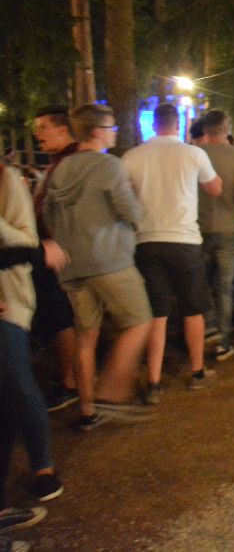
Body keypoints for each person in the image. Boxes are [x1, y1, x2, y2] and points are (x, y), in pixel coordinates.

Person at [44, 104, 155, 431]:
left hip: (72, 266)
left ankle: (88, 410)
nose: (115, 132)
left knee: (86, 337)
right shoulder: (109, 165)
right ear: (97, 132)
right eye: (111, 127)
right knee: (140, 321)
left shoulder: (61, 169)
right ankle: (111, 391)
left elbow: (48, 213)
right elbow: (131, 212)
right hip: (109, 260)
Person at [123, 104, 222, 399]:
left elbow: (124, 194)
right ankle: (197, 371)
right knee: (193, 309)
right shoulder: (193, 153)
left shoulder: (132, 156)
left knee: (158, 312)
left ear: (153, 125)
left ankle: (154, 381)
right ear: (177, 124)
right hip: (185, 240)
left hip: (147, 241)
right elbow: (215, 188)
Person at [0, 155, 64, 507]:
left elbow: (25, 239)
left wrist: (36, 252)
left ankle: (43, 466)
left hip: (9, 296)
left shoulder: (7, 181)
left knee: (17, 386)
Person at [29, 106, 79, 414]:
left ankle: (71, 382)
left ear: (63, 130)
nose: (38, 134)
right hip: (51, 249)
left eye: (43, 127)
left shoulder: (69, 163)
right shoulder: (59, 162)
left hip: (58, 252)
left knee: (61, 316)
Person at [197, 110, 234, 361]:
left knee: (202, 283)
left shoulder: (194, 153)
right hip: (229, 228)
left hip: (198, 228)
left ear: (205, 129)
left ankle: (207, 328)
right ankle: (224, 340)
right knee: (225, 287)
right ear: (226, 128)